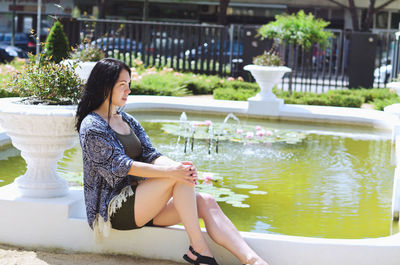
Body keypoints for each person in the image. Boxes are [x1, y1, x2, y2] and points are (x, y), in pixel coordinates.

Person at [75, 58, 270, 265]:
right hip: (113, 211)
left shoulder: (127, 119)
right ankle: (199, 248)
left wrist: (176, 166)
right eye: (122, 85)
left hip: (145, 204)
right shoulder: (92, 125)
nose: (128, 91)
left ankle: (252, 260)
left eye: (129, 85)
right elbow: (121, 166)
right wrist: (171, 172)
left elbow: (151, 154)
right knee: (175, 176)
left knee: (205, 201)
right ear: (105, 86)